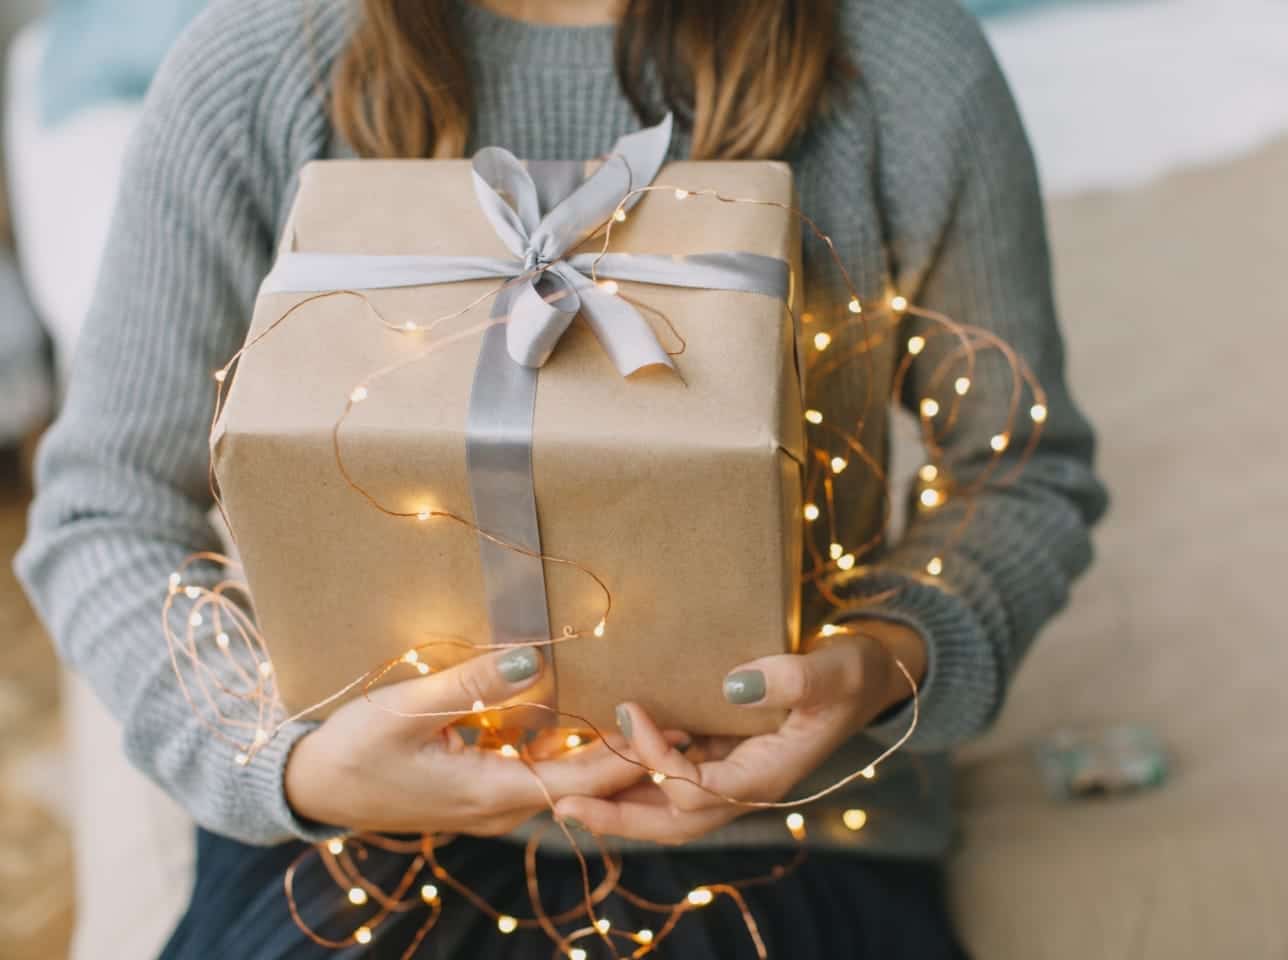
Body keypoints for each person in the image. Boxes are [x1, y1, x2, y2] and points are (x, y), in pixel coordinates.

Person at [16, 0, 1107, 956]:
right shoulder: (260, 63)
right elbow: (101, 514)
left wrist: (882, 664)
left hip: (791, 843)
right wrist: (284, 767)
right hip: (359, 849)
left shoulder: (903, 61)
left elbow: (1022, 475)